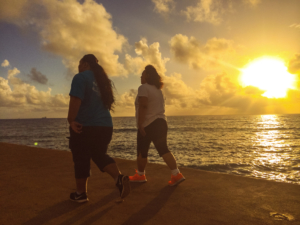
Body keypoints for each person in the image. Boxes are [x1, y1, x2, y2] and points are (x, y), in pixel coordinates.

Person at [68, 54, 130, 203]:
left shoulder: (80, 77)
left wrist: (71, 120)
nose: (78, 67)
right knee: (99, 154)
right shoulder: (103, 81)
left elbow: (76, 98)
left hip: (86, 126)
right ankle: (119, 177)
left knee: (81, 158)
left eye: (79, 63)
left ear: (85, 64)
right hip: (105, 126)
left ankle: (81, 193)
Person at [129, 65, 185, 186]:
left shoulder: (143, 88)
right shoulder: (158, 90)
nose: (140, 76)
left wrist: (140, 124)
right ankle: (176, 174)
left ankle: (140, 175)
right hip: (161, 122)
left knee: (142, 152)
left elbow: (144, 105)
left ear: (147, 76)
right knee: (163, 149)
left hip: (149, 123)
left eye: (142, 74)